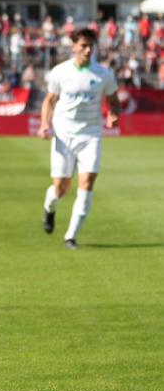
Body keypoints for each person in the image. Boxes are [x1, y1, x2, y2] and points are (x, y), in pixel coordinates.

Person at [38, 29, 120, 249]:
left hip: (90, 135)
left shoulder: (103, 74)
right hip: (64, 135)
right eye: (83, 45)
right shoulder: (60, 72)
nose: (87, 49)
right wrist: (45, 124)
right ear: (73, 46)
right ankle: (50, 207)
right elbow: (49, 100)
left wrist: (113, 114)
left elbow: (114, 100)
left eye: (91, 45)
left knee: (86, 183)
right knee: (61, 188)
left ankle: (70, 236)